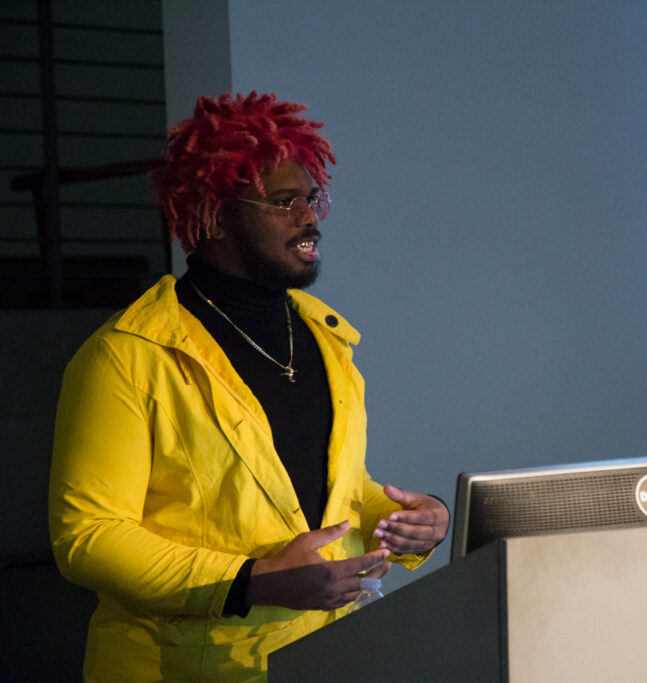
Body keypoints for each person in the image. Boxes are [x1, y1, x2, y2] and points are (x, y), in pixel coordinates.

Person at [48, 91, 449, 681]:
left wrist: (408, 519)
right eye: (284, 202)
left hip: (319, 656)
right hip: (182, 669)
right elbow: (87, 537)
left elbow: (328, 491)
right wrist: (250, 581)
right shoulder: (126, 356)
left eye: (311, 199)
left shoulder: (326, 338)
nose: (309, 219)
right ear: (213, 214)